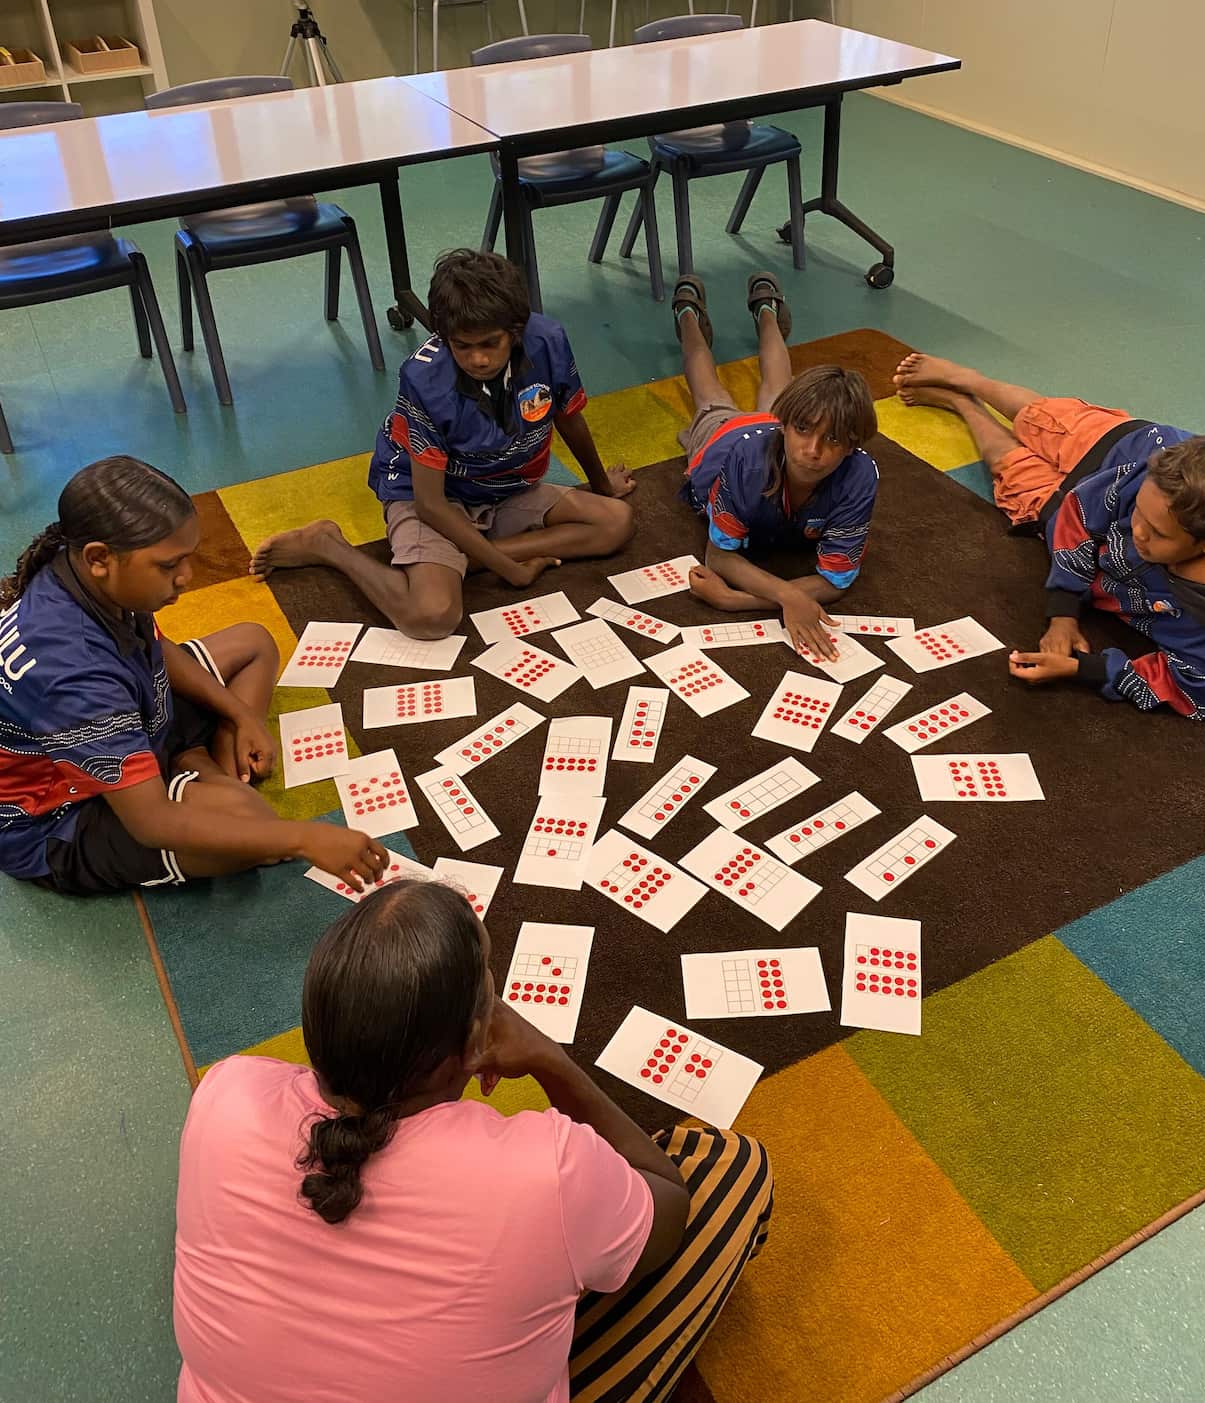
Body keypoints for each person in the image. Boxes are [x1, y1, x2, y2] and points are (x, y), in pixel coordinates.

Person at [174, 879, 773, 1403]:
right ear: (473, 1039)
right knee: (731, 1167)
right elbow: (667, 1205)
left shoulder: (222, 1096)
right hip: (559, 1196)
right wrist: (552, 1062)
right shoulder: (546, 1170)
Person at [0, 456, 388, 894]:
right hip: (57, 818)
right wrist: (306, 837)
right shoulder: (73, 676)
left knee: (254, 643)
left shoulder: (79, 567)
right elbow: (151, 824)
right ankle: (193, 766)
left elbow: (157, 646)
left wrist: (241, 716)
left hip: (134, 715)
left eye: (186, 558)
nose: (186, 577)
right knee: (255, 827)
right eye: (169, 566)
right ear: (99, 559)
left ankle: (193, 761)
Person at [251, 250, 635, 639]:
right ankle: (328, 545)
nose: (479, 359)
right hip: (435, 499)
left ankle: (465, 558)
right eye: (462, 346)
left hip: (506, 488)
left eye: (490, 343)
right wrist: (512, 571)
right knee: (432, 617)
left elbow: (568, 416)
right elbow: (429, 504)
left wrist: (603, 486)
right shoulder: (423, 379)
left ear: (516, 330)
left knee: (615, 523)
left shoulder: (547, 339)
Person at [894, 353, 1205, 718]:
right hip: (1113, 449)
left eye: (1156, 533)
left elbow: (1203, 690)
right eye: (1139, 514)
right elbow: (1082, 513)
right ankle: (968, 380)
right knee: (1039, 418)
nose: (1137, 531)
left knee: (1008, 466)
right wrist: (1063, 612)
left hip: (1078, 528)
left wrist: (1084, 669)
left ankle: (962, 405)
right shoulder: (1157, 481)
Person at [673, 271, 879, 660]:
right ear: (785, 425)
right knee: (709, 393)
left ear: (853, 446)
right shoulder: (747, 463)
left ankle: (766, 307)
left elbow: (836, 579)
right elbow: (718, 555)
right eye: (802, 430)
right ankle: (687, 312)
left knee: (779, 386)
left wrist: (735, 601)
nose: (813, 450)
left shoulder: (860, 474)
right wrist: (787, 595)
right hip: (727, 439)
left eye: (833, 439)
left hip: (774, 436)